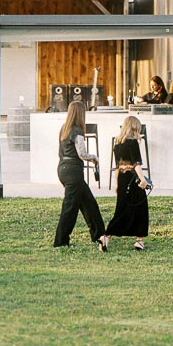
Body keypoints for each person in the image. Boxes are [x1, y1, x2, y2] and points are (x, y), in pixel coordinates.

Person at [53, 99, 108, 251]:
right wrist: (95, 158)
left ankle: (99, 235)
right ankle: (61, 241)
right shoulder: (77, 130)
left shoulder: (64, 128)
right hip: (73, 172)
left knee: (88, 203)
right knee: (70, 208)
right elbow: (82, 153)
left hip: (63, 168)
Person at [104, 115, 151, 250]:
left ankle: (107, 236)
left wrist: (117, 185)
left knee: (121, 208)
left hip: (122, 179)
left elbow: (117, 166)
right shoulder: (133, 143)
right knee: (140, 207)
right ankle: (139, 240)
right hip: (132, 178)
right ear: (135, 127)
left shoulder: (117, 143)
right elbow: (136, 164)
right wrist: (142, 180)